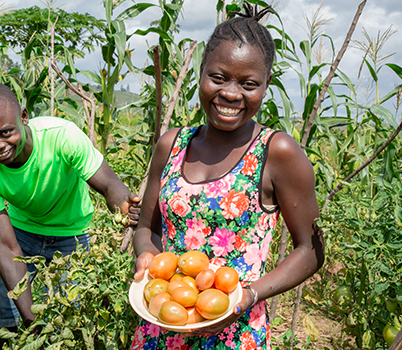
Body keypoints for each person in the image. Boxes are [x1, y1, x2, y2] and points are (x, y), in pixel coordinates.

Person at [131, 3, 324, 349]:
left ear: (265, 86)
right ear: (201, 73)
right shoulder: (171, 145)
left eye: (249, 83)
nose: (232, 94)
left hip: (235, 332)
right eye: (218, 78)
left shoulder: (277, 152)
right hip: (163, 325)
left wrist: (249, 296)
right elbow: (148, 228)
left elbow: (310, 250)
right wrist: (147, 259)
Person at [0, 82, 141, 349]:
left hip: (72, 236)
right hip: (20, 235)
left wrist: (124, 206)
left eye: (5, 132)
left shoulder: (61, 136)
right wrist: (31, 321)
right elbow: (4, 245)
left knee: (66, 321)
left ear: (24, 117)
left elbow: (108, 185)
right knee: (4, 320)